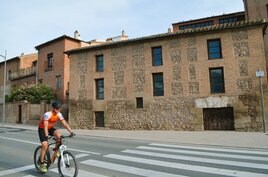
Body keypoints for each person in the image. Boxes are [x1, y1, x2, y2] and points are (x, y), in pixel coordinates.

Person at [38, 101, 74, 173]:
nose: (58, 110)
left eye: (59, 108)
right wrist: (46, 135)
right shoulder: (47, 114)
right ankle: (41, 163)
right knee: (45, 145)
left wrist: (71, 132)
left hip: (50, 128)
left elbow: (65, 124)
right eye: (57, 108)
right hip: (42, 129)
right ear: (54, 109)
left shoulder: (59, 114)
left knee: (59, 136)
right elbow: (45, 126)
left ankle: (55, 150)